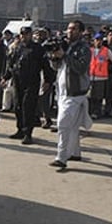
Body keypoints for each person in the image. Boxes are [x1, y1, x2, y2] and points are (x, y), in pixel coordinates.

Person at [48, 21, 91, 169]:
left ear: (81, 32)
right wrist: (54, 56)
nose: (70, 32)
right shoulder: (66, 45)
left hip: (75, 92)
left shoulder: (84, 48)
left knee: (63, 123)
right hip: (62, 91)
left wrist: (65, 55)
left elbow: (80, 67)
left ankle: (61, 157)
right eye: (69, 29)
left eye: (74, 29)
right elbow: (56, 67)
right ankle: (75, 153)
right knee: (72, 125)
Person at [1, 26, 53, 145]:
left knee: (27, 107)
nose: (24, 36)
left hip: (32, 82)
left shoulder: (37, 49)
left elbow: (46, 65)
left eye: (27, 34)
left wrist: (47, 81)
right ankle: (20, 129)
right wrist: (5, 77)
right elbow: (11, 64)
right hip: (18, 81)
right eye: (22, 34)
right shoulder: (17, 48)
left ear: (31, 35)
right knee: (18, 106)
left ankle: (28, 133)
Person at [89, 32, 112, 119]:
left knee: (98, 97)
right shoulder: (89, 50)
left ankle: (96, 113)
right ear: (94, 41)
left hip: (101, 78)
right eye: (97, 40)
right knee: (89, 96)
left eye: (100, 40)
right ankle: (89, 112)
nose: (99, 42)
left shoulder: (106, 51)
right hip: (90, 76)